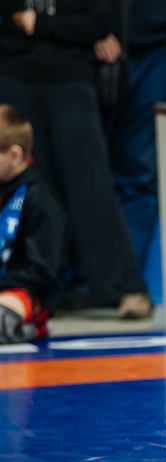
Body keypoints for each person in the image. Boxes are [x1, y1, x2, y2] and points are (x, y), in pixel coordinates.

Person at [0, 0, 152, 319]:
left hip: (70, 76)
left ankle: (125, 287)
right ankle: (30, 290)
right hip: (16, 73)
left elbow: (97, 24)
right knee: (24, 190)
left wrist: (41, 24)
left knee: (92, 185)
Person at [99, 0, 166, 272]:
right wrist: (92, 30)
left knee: (140, 169)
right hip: (91, 53)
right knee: (89, 171)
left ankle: (128, 278)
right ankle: (83, 280)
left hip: (155, 52)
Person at [0, 105, 66, 344]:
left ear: (14, 155)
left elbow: (42, 272)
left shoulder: (41, 198)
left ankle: (35, 328)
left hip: (27, 292)